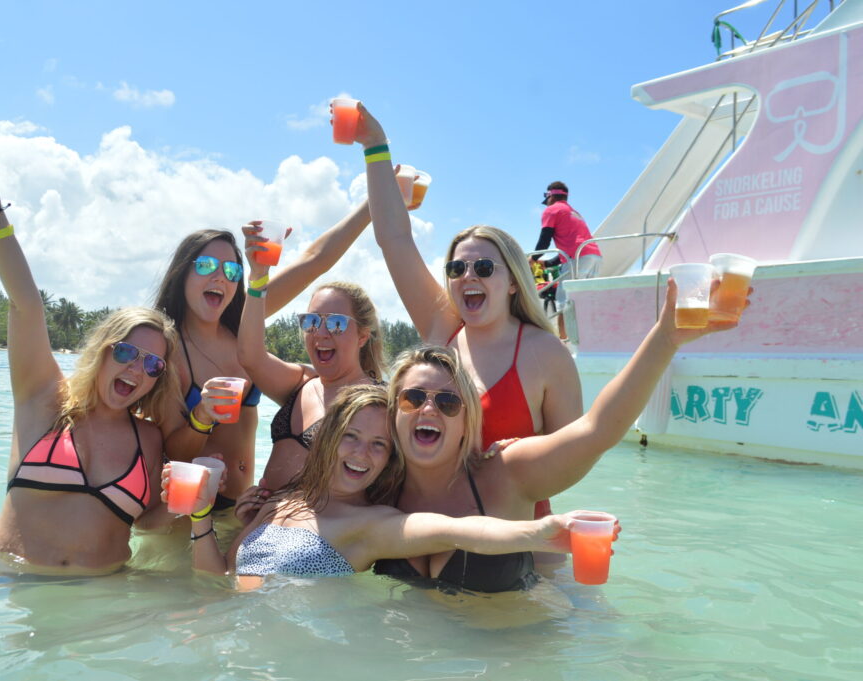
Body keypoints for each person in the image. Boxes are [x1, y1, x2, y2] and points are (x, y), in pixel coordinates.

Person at [372, 278, 746, 592]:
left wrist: (665, 338)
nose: (429, 409)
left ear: (467, 420)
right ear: (393, 411)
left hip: (522, 652)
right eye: (414, 398)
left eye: (448, 402)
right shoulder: (371, 482)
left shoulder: (503, 473)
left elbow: (596, 430)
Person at [0, 147, 180, 576]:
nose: (136, 369)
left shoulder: (148, 439)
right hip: (1, 579)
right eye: (127, 352)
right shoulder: (43, 399)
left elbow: (145, 522)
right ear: (103, 350)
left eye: (152, 366)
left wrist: (187, 507)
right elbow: (26, 306)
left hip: (99, 598)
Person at [354, 102, 581, 522]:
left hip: (512, 543)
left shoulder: (546, 353)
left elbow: (577, 454)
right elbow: (395, 239)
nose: (467, 276)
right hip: (424, 531)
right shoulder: (442, 325)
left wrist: (528, 456)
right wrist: (375, 145)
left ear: (513, 281)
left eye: (483, 268)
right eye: (457, 268)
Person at [172, 385, 608, 591]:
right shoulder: (283, 502)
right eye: (351, 436)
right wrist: (200, 513)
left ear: (388, 459)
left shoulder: (373, 525)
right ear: (326, 438)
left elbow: (453, 530)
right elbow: (220, 577)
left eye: (379, 444)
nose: (363, 453)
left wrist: (539, 532)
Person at [154, 203, 376, 509]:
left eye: (231, 271)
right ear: (183, 273)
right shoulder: (167, 349)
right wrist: (202, 416)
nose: (220, 277)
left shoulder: (244, 324)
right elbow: (172, 450)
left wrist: (372, 205)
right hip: (190, 506)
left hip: (243, 506)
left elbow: (315, 261)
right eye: (206, 266)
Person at [238, 226, 385, 491]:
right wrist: (258, 278)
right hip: (261, 520)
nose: (321, 332)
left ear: (363, 336)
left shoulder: (378, 402)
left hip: (314, 529)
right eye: (312, 321)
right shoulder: (303, 381)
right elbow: (250, 356)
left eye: (337, 323)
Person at [534, 181, 603, 315]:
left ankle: (564, 336)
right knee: (585, 303)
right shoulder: (573, 212)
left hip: (578, 258)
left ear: (550, 196)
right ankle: (585, 335)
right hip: (594, 257)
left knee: (565, 305)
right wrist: (546, 263)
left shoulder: (551, 210)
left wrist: (533, 258)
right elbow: (571, 249)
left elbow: (544, 240)